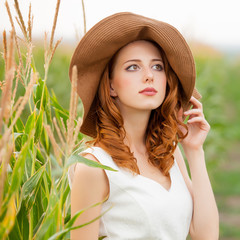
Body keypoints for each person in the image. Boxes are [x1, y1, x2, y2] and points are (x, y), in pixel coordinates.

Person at [68, 12, 219, 240]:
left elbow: (205, 236)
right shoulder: (94, 166)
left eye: (157, 67)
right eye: (133, 67)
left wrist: (195, 151)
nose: (149, 76)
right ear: (111, 86)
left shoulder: (168, 152)